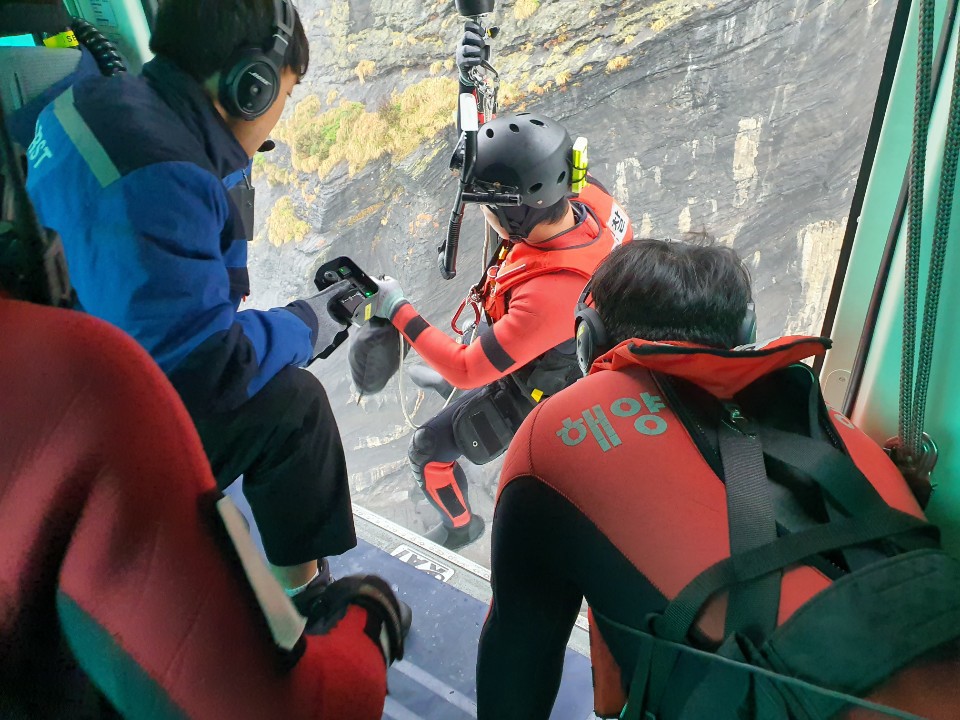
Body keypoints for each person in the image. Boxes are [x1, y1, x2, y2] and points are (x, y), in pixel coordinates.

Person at [0, 104, 403, 719]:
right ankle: (311, 602)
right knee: (296, 407)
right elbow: (295, 710)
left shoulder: (66, 122)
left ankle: (305, 598)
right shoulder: (88, 375)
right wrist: (371, 616)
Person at [475, 238, 960, 719]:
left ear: (587, 340)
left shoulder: (557, 429)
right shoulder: (829, 420)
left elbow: (516, 669)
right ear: (744, 331)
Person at [23, 0, 368, 618]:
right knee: (295, 409)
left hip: (47, 381)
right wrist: (306, 324)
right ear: (251, 86)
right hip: (96, 440)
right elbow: (210, 368)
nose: (276, 119)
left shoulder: (86, 100)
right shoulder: (169, 178)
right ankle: (309, 604)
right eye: (284, 94)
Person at [370, 109, 633, 550]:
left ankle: (460, 525)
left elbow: (465, 370)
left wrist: (396, 308)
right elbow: (525, 166)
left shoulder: (551, 295)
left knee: (428, 451)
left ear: (514, 217)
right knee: (482, 348)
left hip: (537, 385)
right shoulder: (590, 199)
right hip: (552, 344)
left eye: (489, 208)